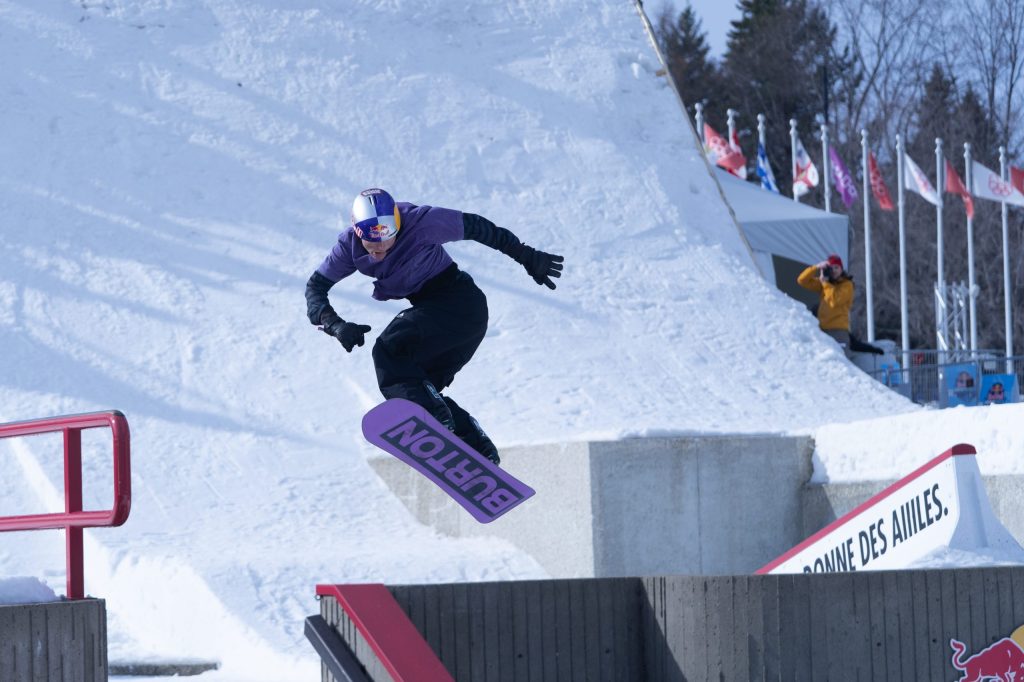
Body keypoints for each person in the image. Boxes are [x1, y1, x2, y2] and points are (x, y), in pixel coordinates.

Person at [305, 188, 564, 465]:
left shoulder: (419, 222)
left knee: (388, 351)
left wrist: (525, 254)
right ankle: (475, 447)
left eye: (388, 237)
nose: (380, 248)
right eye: (372, 241)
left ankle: (434, 419)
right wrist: (336, 325)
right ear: (357, 230)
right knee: (416, 382)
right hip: (445, 318)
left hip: (457, 302)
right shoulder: (347, 247)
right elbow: (316, 288)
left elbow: (477, 227)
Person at [797, 254, 854, 354]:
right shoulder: (825, 284)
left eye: (837, 267)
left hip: (838, 330)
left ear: (841, 269)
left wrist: (826, 284)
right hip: (823, 330)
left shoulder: (847, 285)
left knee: (842, 362)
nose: (834, 271)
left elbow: (834, 301)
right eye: (831, 268)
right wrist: (816, 267)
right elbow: (802, 281)